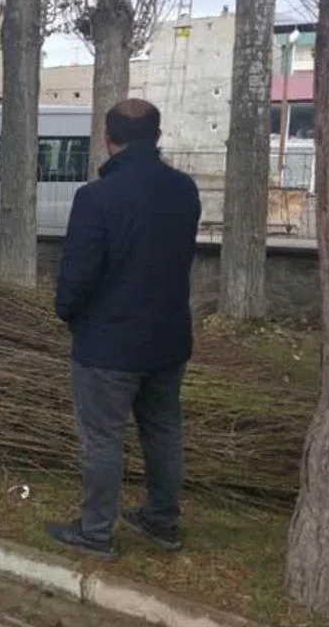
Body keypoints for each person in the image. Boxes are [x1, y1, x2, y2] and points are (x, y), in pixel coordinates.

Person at [46, 98, 202, 560]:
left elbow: (78, 275)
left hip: (109, 345)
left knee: (103, 438)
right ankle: (162, 520)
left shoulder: (96, 198)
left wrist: (67, 312)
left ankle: (96, 532)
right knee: (163, 431)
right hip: (169, 338)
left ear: (108, 139)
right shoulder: (184, 190)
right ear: (155, 137)